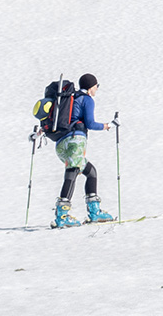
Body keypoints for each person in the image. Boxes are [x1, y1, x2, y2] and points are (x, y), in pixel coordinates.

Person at [52, 73, 115, 228]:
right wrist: (108, 126)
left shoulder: (70, 99)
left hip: (61, 143)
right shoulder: (86, 99)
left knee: (90, 172)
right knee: (73, 171)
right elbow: (90, 123)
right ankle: (63, 216)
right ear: (91, 86)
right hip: (75, 141)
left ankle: (94, 212)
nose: (97, 89)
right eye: (96, 86)